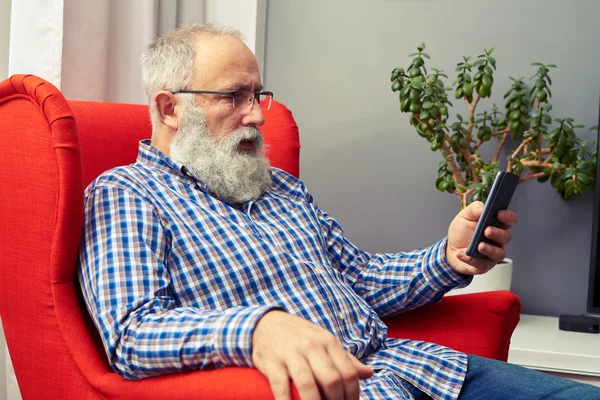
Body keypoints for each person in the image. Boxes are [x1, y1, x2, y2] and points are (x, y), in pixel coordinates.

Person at [77, 23, 600, 400]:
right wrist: (259, 329)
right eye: (233, 97)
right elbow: (132, 333)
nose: (258, 114)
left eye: (257, 94)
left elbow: (359, 278)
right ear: (170, 108)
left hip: (416, 368)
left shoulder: (279, 186)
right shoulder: (127, 194)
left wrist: (449, 257)